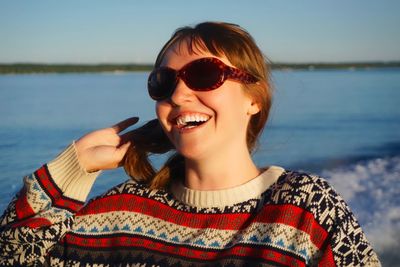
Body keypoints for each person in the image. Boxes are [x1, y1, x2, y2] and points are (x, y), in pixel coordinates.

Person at [0, 22, 380, 267]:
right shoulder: (119, 215)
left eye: (204, 74)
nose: (179, 94)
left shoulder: (304, 211)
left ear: (254, 99)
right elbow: (15, 256)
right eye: (163, 82)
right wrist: (75, 168)